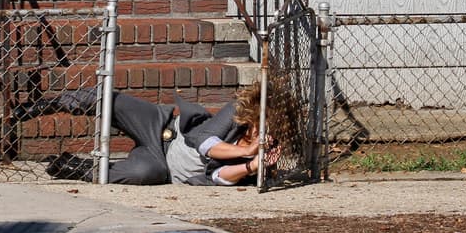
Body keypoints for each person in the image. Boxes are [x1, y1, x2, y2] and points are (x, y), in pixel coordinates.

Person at [20, 82, 276, 186]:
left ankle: (75, 168)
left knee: (140, 173)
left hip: (160, 164)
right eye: (260, 125)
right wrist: (245, 149)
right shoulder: (236, 114)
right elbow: (203, 141)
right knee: (113, 101)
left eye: (269, 131)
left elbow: (218, 175)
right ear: (255, 117)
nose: (260, 133)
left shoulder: (260, 160)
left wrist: (252, 165)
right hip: (163, 126)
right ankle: (42, 106)